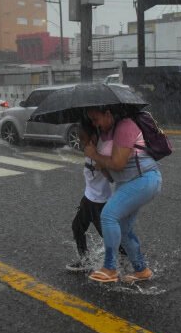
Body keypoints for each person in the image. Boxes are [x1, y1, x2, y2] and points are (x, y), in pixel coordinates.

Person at [84, 106, 162, 284]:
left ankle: (110, 268)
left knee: (108, 215)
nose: (94, 123)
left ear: (108, 113)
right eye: (91, 120)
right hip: (126, 182)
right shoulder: (105, 133)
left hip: (144, 179)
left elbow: (118, 163)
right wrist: (99, 163)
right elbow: (112, 173)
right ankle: (141, 270)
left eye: (96, 118)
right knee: (123, 228)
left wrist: (95, 155)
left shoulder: (125, 126)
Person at [66, 119, 126, 272]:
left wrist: (102, 165)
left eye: (83, 139)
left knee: (108, 235)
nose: (80, 143)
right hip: (88, 198)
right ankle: (85, 260)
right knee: (77, 227)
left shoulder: (104, 150)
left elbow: (114, 176)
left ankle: (128, 259)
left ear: (93, 137)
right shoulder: (89, 148)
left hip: (102, 202)